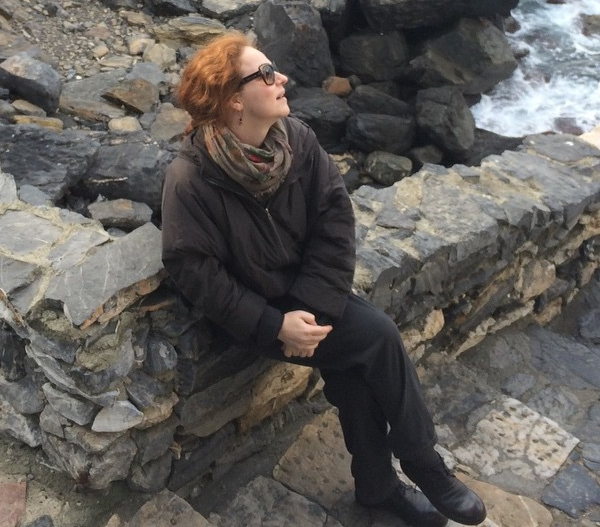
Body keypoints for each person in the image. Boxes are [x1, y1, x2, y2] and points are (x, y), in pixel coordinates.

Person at [160, 31, 487, 527]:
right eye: (265, 74)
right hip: (256, 316)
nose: (282, 78)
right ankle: (425, 463)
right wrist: (275, 325)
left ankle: (378, 489)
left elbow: (335, 220)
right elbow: (194, 270)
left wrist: (310, 310)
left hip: (313, 299)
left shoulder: (297, 140)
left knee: (354, 377)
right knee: (378, 336)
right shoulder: (190, 179)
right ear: (233, 100)